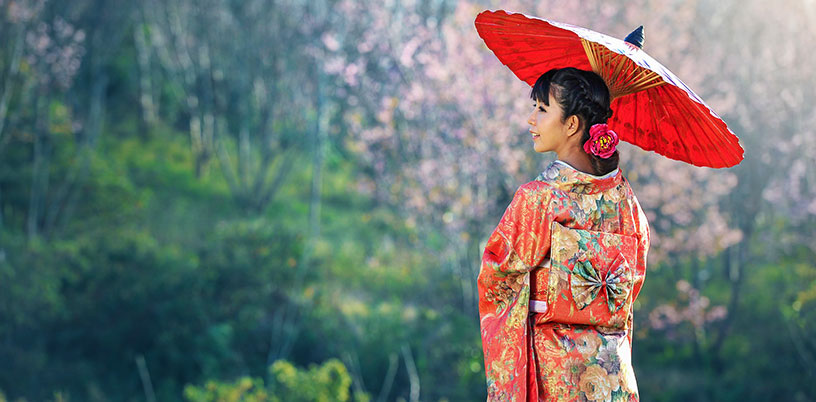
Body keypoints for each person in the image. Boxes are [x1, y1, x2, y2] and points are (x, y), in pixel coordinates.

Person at [477, 67, 650, 401]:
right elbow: (631, 284)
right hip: (611, 372)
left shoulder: (540, 198)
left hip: (554, 371)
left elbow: (498, 276)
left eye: (542, 109)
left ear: (572, 124)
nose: (531, 120)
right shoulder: (626, 202)